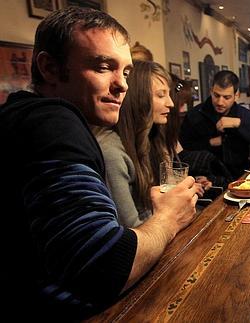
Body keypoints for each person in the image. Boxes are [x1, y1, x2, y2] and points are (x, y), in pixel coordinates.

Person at [0, 7, 202, 320]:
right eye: (103, 66)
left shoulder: (24, 115)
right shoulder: (53, 121)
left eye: (126, 72)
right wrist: (169, 218)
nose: (122, 85)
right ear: (50, 68)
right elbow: (105, 267)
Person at [93, 60, 208, 227]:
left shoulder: (153, 137)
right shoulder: (111, 151)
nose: (171, 103)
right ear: (138, 98)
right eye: (161, 95)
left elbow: (164, 195)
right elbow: (131, 227)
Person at [179, 70, 250, 178]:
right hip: (205, 179)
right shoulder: (194, 115)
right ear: (211, 91)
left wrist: (240, 124)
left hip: (241, 176)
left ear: (236, 95)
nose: (220, 102)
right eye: (216, 95)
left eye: (226, 97)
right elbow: (183, 152)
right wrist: (210, 142)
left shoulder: (245, 116)